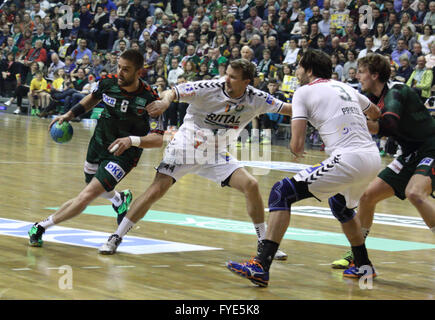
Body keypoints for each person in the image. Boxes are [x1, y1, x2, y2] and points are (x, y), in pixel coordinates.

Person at [98, 59, 292, 260]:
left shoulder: (258, 98)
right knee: (156, 190)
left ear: (247, 82)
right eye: (227, 74)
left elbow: (289, 109)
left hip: (215, 153)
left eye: (233, 77)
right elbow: (173, 92)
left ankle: (265, 243)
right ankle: (116, 237)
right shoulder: (208, 88)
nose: (227, 79)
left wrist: (319, 111)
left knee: (251, 185)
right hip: (185, 147)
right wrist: (165, 101)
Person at [226, 49, 382, 287]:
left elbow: (297, 144)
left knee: (282, 191)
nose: (296, 71)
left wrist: (297, 146)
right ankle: (363, 266)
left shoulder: (304, 91)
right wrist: (355, 123)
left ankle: (261, 265)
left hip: (349, 158)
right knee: (339, 205)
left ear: (308, 70)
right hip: (372, 158)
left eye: (298, 66)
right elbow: (376, 113)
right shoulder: (347, 88)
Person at [28, 49, 165, 247]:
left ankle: (40, 226)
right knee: (92, 185)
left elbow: (157, 139)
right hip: (99, 142)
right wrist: (69, 115)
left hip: (124, 153)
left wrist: (131, 140)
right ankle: (119, 200)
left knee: (88, 195)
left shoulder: (151, 98)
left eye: (126, 70)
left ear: (139, 72)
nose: (120, 73)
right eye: (119, 67)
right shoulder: (108, 82)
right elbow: (93, 98)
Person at [331, 53, 435, 269]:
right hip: (410, 153)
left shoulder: (396, 90)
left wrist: (354, 121)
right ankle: (356, 253)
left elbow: (388, 126)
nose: (358, 77)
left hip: (431, 147)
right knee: (368, 196)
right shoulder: (376, 100)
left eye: (361, 72)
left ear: (375, 75)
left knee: (415, 193)